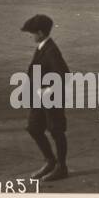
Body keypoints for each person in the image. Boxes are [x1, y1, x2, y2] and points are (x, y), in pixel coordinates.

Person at [21, 14, 70, 182]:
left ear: (40, 33)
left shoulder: (51, 50)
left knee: (56, 131)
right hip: (38, 98)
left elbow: (64, 74)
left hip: (51, 99)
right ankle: (50, 161)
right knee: (34, 128)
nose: (30, 36)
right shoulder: (42, 46)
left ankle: (61, 167)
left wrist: (49, 90)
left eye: (31, 33)